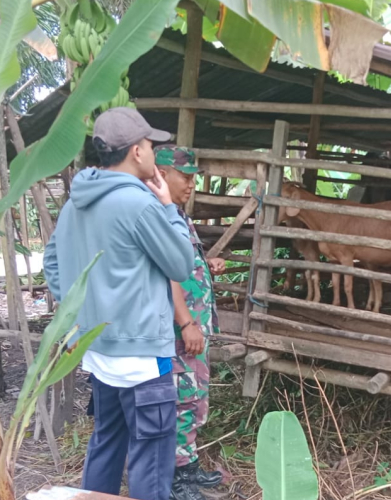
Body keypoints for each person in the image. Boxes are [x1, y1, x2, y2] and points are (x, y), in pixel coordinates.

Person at [43, 108, 194, 500]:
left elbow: (53, 262)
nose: (151, 152)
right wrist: (169, 208)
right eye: (148, 144)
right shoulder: (140, 204)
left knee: (107, 445)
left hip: (98, 352)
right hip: (143, 357)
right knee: (150, 464)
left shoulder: (75, 203)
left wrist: (73, 316)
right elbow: (181, 264)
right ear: (135, 152)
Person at [153, 145, 225, 500]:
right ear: (162, 174)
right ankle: (176, 476)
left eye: (195, 176)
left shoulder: (176, 214)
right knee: (182, 398)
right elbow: (166, 275)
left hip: (194, 326)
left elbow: (181, 265)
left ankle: (188, 463)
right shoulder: (158, 215)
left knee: (194, 398)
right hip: (182, 330)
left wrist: (204, 264)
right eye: (186, 176)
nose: (192, 183)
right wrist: (186, 323)